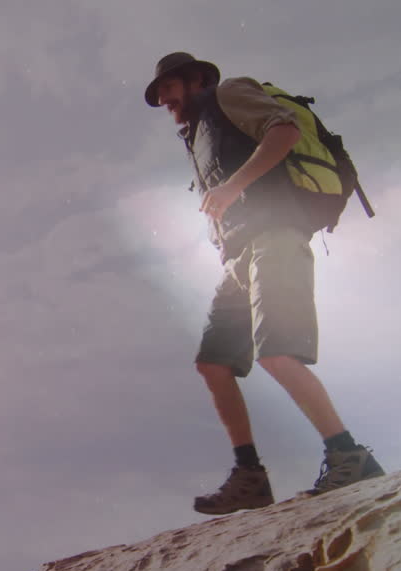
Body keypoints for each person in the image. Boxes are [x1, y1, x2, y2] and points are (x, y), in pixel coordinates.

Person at [143, 52, 385, 515]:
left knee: (276, 352)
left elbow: (285, 131)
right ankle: (250, 475)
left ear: (195, 79)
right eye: (159, 96)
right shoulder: (195, 134)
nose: (165, 100)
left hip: (276, 235)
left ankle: (349, 454)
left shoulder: (229, 93)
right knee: (214, 364)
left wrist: (233, 186)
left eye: (169, 88)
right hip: (239, 256)